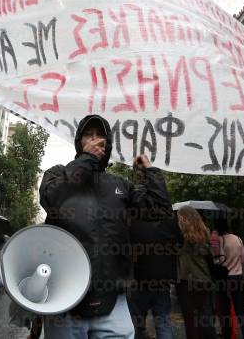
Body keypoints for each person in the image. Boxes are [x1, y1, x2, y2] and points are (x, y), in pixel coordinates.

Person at [39, 114, 171, 338]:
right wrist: (86, 161)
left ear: (108, 143)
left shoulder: (120, 185)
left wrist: (150, 173)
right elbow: (50, 199)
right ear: (79, 142)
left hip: (114, 302)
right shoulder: (58, 174)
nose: (94, 140)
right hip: (64, 301)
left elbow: (158, 209)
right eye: (88, 135)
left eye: (100, 135)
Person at [128, 218, 177, 339]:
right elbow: (178, 244)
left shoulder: (132, 222)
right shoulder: (168, 222)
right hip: (162, 281)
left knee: (137, 325)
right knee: (163, 322)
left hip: (139, 280)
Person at [175, 206, 217, 339]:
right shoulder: (205, 232)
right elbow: (210, 256)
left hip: (185, 281)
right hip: (204, 279)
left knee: (190, 319)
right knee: (206, 316)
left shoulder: (179, 235)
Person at [214, 219, 244, 339]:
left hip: (226, 279)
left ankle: (228, 335)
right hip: (239, 277)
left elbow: (219, 261)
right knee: (241, 311)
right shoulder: (238, 238)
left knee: (225, 312)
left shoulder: (220, 239)